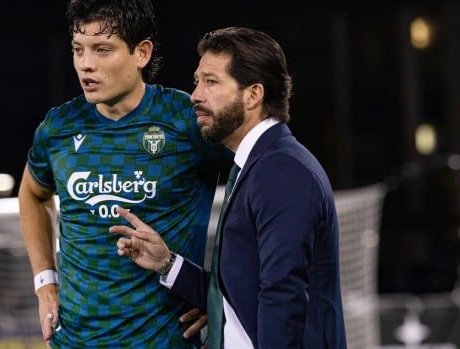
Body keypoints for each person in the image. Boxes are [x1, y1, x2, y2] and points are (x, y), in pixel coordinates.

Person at [110, 27, 348, 348]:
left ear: (253, 95)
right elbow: (238, 298)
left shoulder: (283, 171)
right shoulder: (258, 165)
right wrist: (167, 263)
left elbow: (283, 297)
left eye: (211, 81)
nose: (195, 94)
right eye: (197, 81)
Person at [18, 0, 228, 347]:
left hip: (164, 341)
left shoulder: (186, 120)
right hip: (73, 341)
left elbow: (251, 195)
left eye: (102, 50)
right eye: (78, 49)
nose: (85, 64)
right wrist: (45, 283)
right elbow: (33, 194)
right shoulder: (58, 128)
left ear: (141, 53)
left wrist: (216, 292)